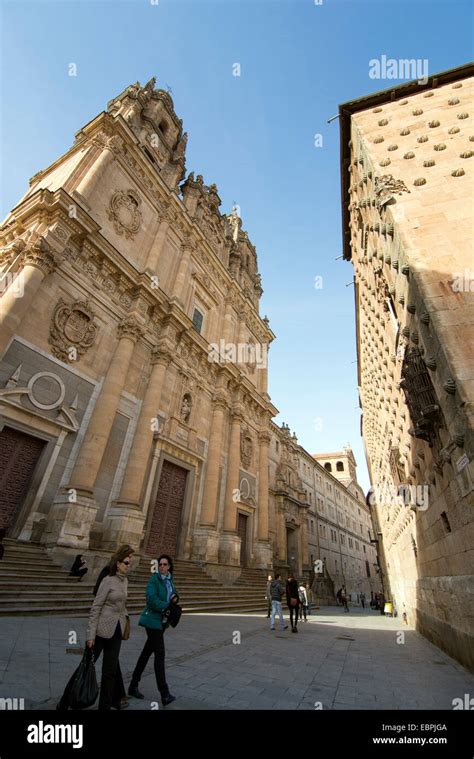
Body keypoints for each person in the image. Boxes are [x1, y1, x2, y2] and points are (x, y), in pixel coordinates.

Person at [84, 546, 132, 710]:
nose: (129, 564)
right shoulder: (108, 577)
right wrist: (91, 635)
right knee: (86, 666)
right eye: (127, 561)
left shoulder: (124, 580)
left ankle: (108, 703)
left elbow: (122, 604)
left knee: (110, 671)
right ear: (118, 562)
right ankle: (67, 700)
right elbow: (96, 605)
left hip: (116, 630)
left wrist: (124, 618)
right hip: (100, 630)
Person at [128, 554, 179, 706]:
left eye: (164, 564)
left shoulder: (169, 581)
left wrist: (175, 598)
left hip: (162, 623)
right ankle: (164, 693)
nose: (162, 567)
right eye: (160, 564)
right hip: (152, 622)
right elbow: (151, 599)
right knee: (160, 654)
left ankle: (133, 685)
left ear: (169, 566)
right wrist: (166, 606)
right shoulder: (153, 580)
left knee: (145, 653)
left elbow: (174, 594)